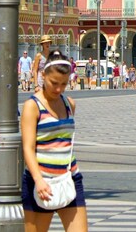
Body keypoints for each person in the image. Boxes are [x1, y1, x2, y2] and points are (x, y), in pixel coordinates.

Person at [21, 51, 87, 231]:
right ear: (44, 76)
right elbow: (27, 147)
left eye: (64, 84)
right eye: (54, 83)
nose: (58, 89)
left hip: (69, 177)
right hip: (40, 180)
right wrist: (38, 179)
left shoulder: (69, 103)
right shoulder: (32, 106)